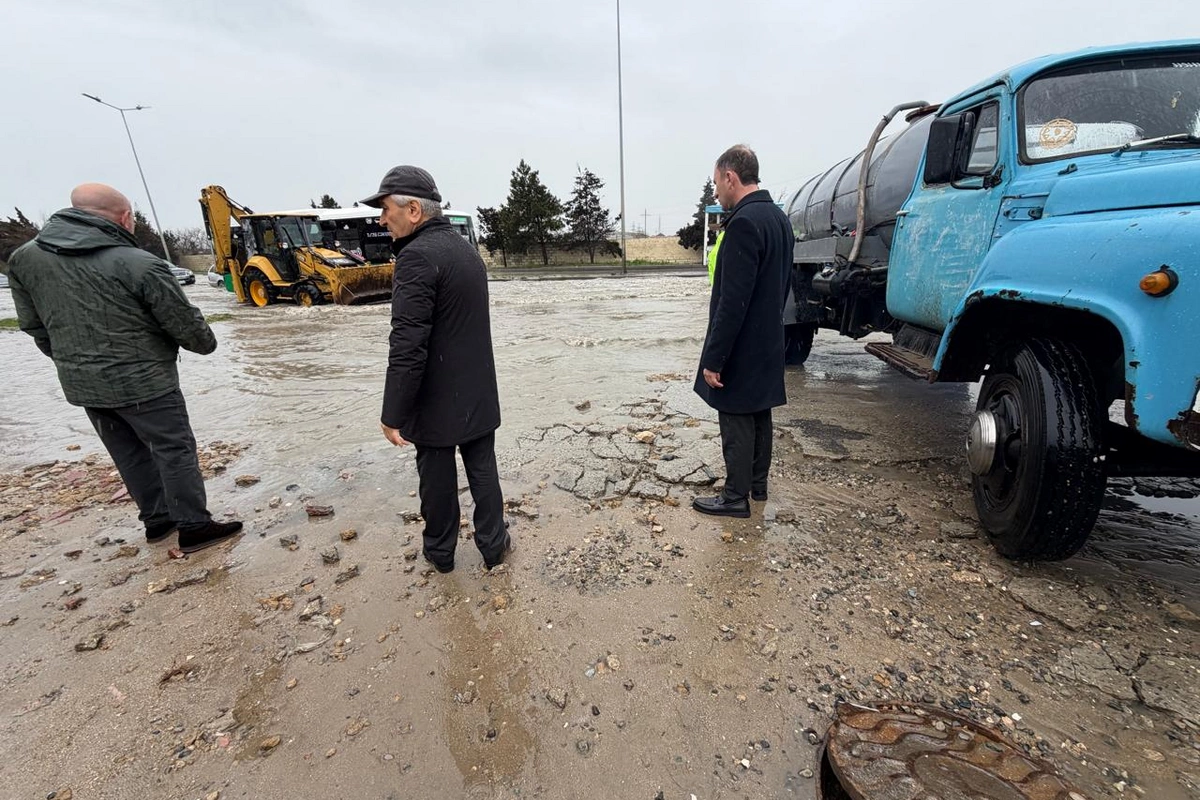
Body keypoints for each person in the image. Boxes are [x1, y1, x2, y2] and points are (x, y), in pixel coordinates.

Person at [7, 184, 243, 553]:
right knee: (173, 449)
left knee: (128, 453)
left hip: (83, 385)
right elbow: (188, 328)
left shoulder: (24, 259)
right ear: (125, 218)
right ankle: (194, 526)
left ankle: (157, 520)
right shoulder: (139, 263)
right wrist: (204, 343)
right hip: (147, 382)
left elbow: (34, 326)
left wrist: (73, 362)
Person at [362, 166, 509, 573]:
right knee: (483, 472)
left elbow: (407, 344)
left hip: (435, 398)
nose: (381, 219)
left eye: (385, 209)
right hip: (478, 390)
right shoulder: (466, 251)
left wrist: (392, 413)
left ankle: (441, 554)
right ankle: (494, 547)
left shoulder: (415, 258)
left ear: (413, 210)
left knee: (438, 480)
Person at [692, 146, 794, 519]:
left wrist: (714, 358)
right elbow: (783, 285)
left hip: (742, 343)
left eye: (716, 183)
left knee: (735, 413)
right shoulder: (779, 219)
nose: (716, 191)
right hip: (769, 338)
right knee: (759, 411)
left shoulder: (743, 223)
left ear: (730, 177)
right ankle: (757, 486)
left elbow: (731, 302)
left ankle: (735, 496)